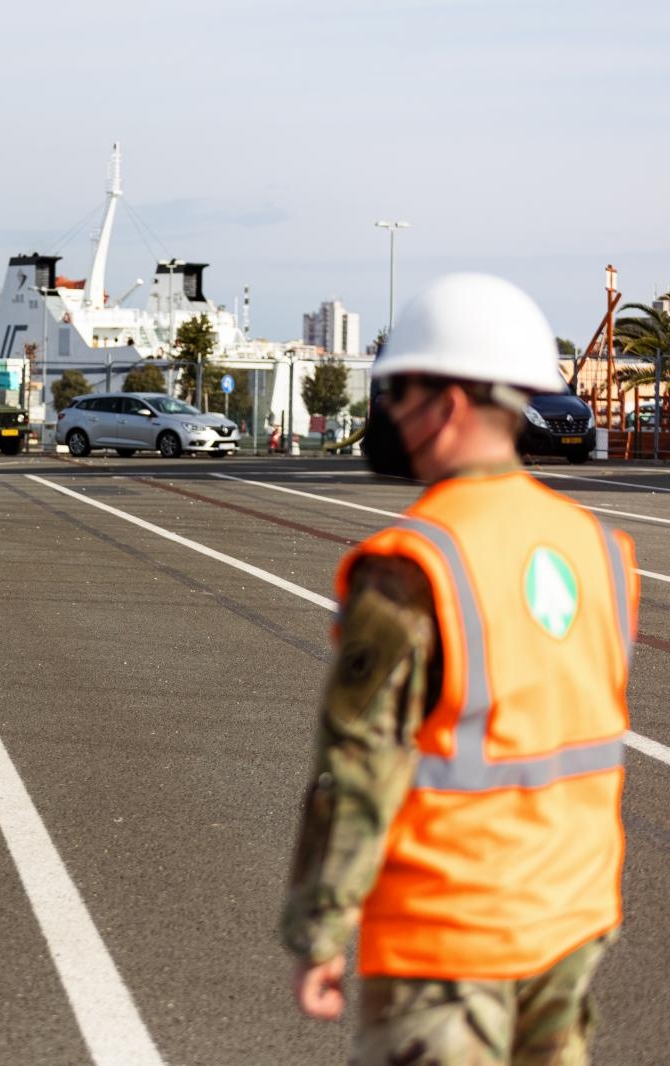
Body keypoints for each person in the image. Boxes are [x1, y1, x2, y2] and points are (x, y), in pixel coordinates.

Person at [281, 274, 636, 1064]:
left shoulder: (415, 566)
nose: (390, 418)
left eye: (399, 395)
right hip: (571, 917)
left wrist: (321, 929)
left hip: (450, 934)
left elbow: (358, 765)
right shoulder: (600, 551)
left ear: (445, 404)